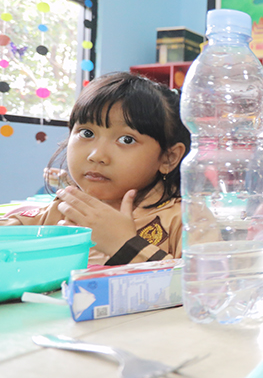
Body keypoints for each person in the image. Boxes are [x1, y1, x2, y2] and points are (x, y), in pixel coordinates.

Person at [1, 72, 189, 267]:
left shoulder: (185, 220)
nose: (97, 155)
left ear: (168, 158)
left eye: (126, 139)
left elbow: (205, 287)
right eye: (87, 133)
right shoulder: (62, 210)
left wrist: (125, 246)